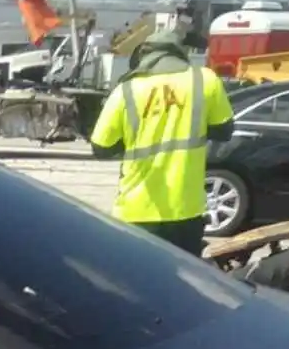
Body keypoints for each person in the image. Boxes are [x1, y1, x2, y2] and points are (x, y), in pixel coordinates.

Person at [88, 28, 234, 255]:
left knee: (137, 284)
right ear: (179, 53)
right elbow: (224, 131)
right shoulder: (204, 80)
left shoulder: (126, 90)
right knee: (183, 283)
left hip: (135, 212)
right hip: (187, 211)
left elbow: (101, 148)